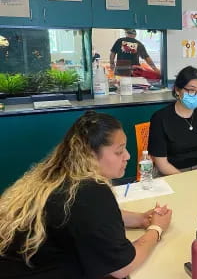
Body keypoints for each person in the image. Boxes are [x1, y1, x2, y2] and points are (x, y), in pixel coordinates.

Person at [0, 111, 172, 278]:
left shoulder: (61, 174)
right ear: (90, 155)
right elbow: (121, 268)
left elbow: (83, 217)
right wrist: (156, 229)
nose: (127, 156)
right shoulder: (90, 192)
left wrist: (140, 219)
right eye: (119, 151)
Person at [148, 66, 197, 175]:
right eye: (191, 90)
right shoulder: (160, 118)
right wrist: (185, 179)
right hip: (171, 172)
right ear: (177, 90)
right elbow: (161, 163)